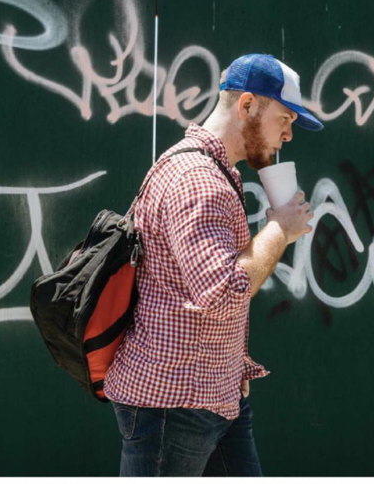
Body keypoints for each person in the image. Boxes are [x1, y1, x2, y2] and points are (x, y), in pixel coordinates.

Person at [103, 53, 324, 476]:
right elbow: (221, 292)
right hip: (172, 403)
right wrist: (280, 228)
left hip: (215, 395)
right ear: (247, 105)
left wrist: (233, 369)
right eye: (285, 117)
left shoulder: (215, 172)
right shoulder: (197, 179)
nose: (288, 134)